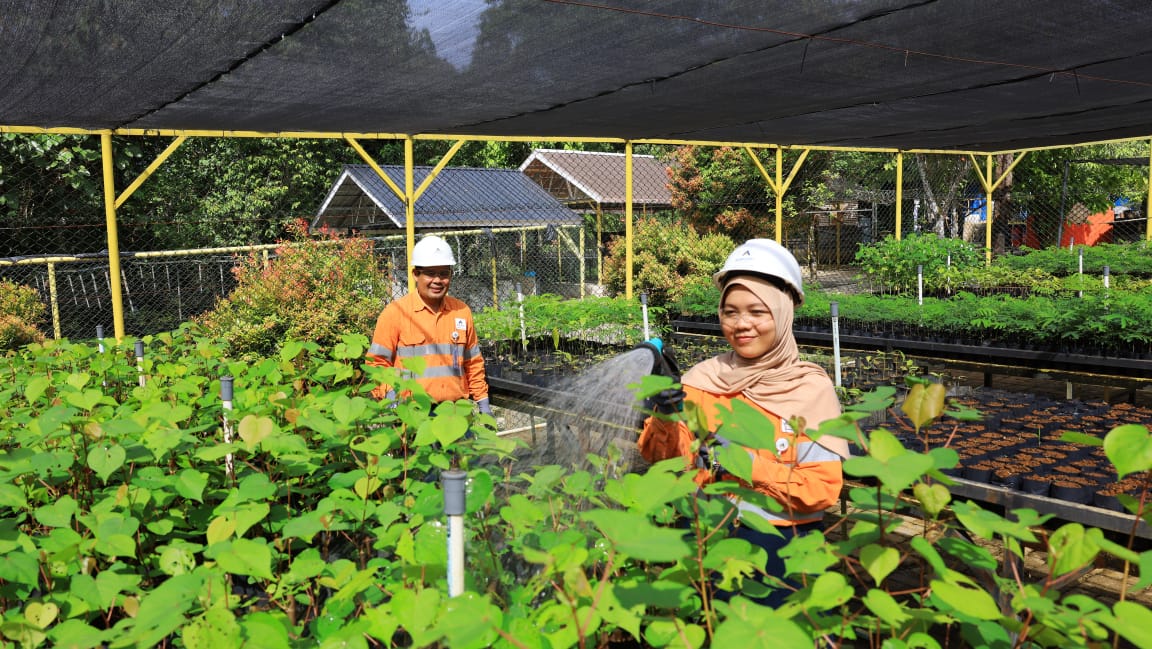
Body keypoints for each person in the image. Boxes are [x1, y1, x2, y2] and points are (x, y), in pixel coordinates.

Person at [639, 238, 848, 607]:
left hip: (780, 549)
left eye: (757, 311)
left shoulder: (810, 391)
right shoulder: (704, 378)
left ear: (782, 313)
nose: (741, 324)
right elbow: (663, 458)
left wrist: (747, 464)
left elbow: (821, 489)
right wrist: (664, 416)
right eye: (730, 312)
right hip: (703, 535)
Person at [366, 234, 492, 417]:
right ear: (416, 274)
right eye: (431, 273)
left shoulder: (461, 312)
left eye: (443, 273)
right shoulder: (395, 313)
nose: (438, 280)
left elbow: (472, 363)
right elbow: (376, 363)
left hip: (455, 412)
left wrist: (484, 404)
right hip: (411, 413)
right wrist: (389, 395)